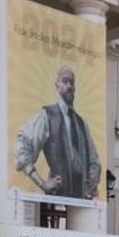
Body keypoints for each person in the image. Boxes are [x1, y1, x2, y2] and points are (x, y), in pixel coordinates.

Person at [14, 65, 101, 201]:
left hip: (82, 200)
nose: (69, 86)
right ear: (57, 86)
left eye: (72, 82)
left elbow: (94, 162)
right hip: (57, 198)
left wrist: (92, 183)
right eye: (65, 81)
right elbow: (22, 143)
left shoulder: (81, 123)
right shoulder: (47, 115)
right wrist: (42, 183)